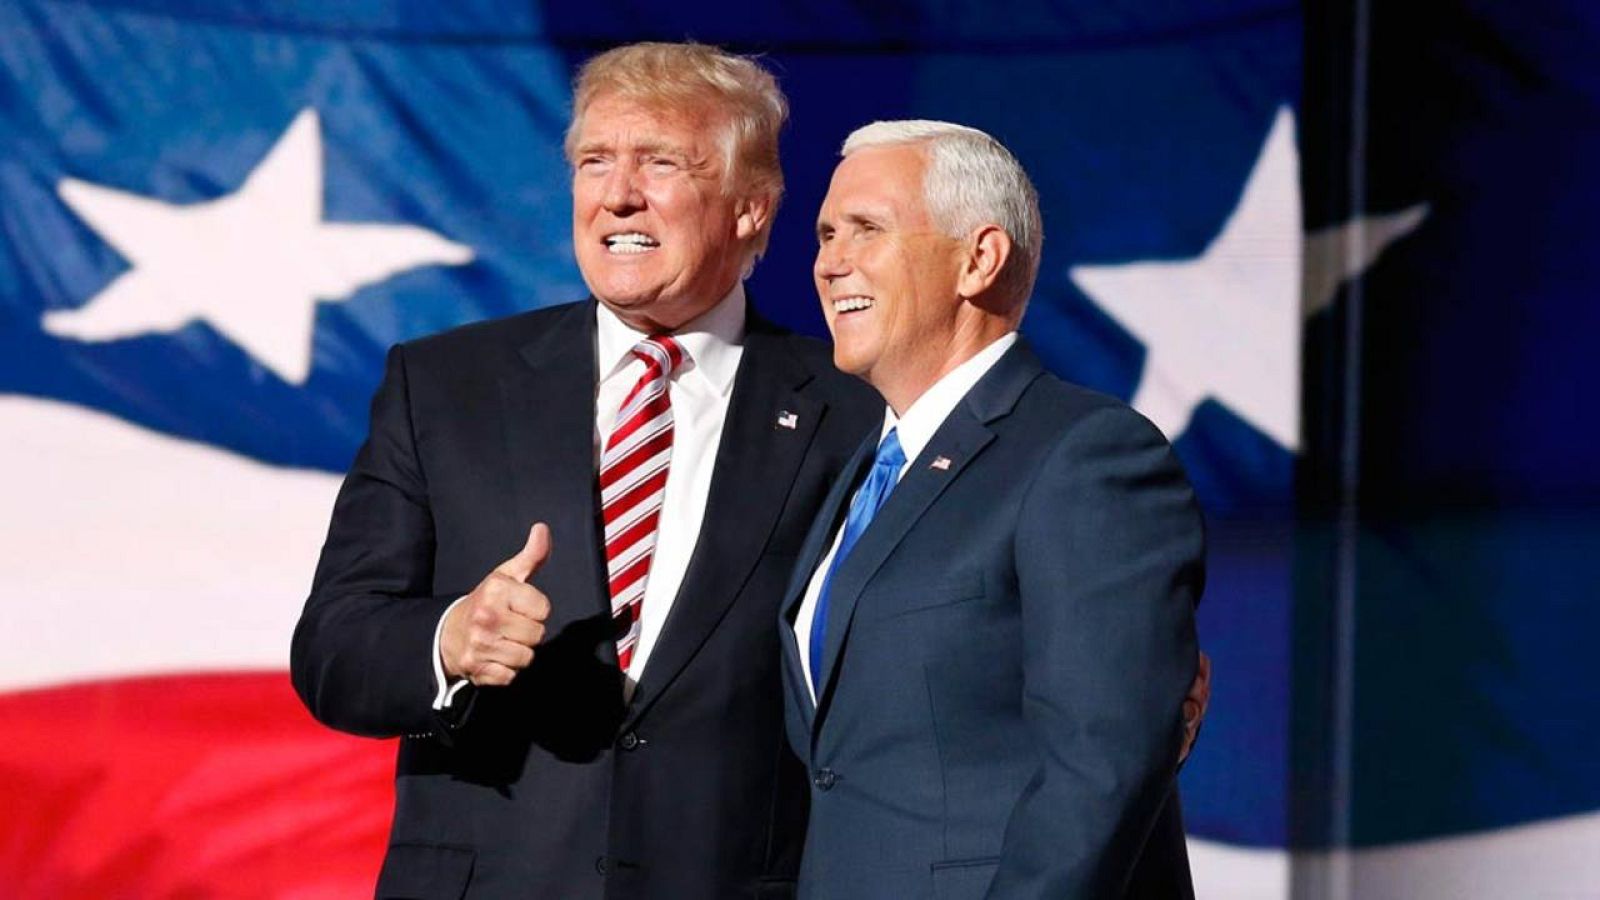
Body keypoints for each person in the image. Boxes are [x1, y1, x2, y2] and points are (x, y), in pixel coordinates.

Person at [290, 42, 882, 898]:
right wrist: (450, 639)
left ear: (751, 209)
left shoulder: (856, 411)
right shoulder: (444, 386)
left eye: (661, 162)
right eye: (595, 161)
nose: (618, 194)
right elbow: (333, 649)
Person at [781, 120, 1206, 898]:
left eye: (867, 229)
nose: (830, 262)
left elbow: (1101, 764)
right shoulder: (863, 471)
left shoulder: (1086, 455)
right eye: (826, 235)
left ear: (978, 259)